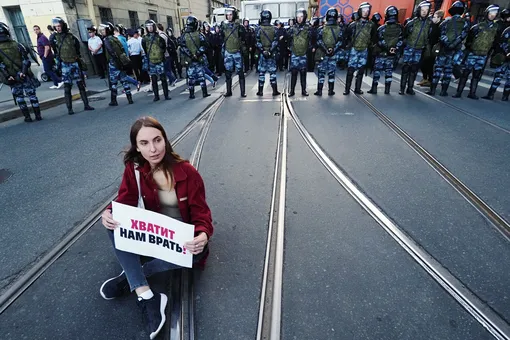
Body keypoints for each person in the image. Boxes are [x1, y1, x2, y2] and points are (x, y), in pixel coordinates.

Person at [100, 116, 213, 339]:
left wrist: (202, 235)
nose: (153, 149)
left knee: (197, 256)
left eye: (157, 140)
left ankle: (132, 278)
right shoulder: (134, 170)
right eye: (144, 143)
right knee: (112, 224)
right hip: (150, 239)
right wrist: (108, 213)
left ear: (165, 140)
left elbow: (202, 214)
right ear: (137, 147)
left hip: (179, 242)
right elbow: (125, 200)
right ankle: (146, 295)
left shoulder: (187, 173)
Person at [453, 5, 500, 99]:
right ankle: (459, 92)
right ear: (487, 13)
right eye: (491, 13)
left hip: (483, 55)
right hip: (472, 54)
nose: (492, 15)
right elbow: (468, 41)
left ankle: (472, 93)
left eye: (494, 13)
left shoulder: (496, 28)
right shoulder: (477, 27)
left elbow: (496, 41)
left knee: (476, 75)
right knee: (465, 73)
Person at [50, 17, 94, 114]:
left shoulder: (71, 37)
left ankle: (86, 105)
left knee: (80, 85)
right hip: (64, 64)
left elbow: (77, 49)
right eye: (56, 26)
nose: (58, 28)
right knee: (67, 87)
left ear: (63, 26)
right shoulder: (53, 38)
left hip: (74, 63)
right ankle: (69, 109)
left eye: (59, 26)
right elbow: (55, 51)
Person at [0, 22, 42, 122]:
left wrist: (7, 76)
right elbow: (26, 60)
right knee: (32, 95)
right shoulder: (18, 45)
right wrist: (23, 72)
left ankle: (27, 117)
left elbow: (0, 65)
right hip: (24, 74)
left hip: (12, 77)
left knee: (19, 97)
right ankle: (38, 116)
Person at [427, 1, 468, 96]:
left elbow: (441, 35)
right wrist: (453, 44)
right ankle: (443, 91)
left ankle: (432, 90)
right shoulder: (465, 23)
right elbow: (462, 36)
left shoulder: (446, 22)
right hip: (453, 51)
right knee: (448, 71)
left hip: (443, 49)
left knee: (437, 70)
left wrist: (447, 44)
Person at [367, 5, 403, 95]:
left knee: (377, 71)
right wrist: (394, 49)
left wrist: (387, 48)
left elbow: (379, 41)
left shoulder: (382, 28)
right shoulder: (400, 28)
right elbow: (401, 41)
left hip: (381, 53)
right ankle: (387, 90)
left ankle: (374, 88)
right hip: (392, 54)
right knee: (389, 72)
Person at [400, 1, 432, 95]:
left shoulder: (429, 24)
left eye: (426, 10)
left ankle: (410, 88)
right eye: (422, 10)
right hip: (409, 48)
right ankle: (402, 89)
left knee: (414, 69)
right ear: (419, 10)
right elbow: (404, 35)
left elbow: (429, 36)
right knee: (405, 68)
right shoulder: (411, 23)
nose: (424, 12)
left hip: (419, 49)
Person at [343, 2, 375, 95]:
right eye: (364, 10)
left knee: (361, 71)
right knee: (350, 70)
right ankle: (347, 89)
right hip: (354, 50)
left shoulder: (371, 25)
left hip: (364, 50)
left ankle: (358, 89)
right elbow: (347, 37)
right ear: (360, 11)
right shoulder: (353, 25)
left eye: (367, 10)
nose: (365, 12)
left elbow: (373, 37)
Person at [101, 22, 134, 106]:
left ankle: (113, 100)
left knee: (113, 83)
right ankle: (129, 98)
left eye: (104, 30)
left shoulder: (107, 40)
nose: (102, 31)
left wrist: (116, 62)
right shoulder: (115, 38)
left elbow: (111, 52)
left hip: (113, 63)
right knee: (124, 81)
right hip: (120, 62)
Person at [180, 16, 210, 99]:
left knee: (191, 77)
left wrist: (190, 55)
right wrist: (197, 54)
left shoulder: (184, 36)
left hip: (190, 60)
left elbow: (182, 47)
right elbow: (205, 45)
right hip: (198, 59)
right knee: (201, 76)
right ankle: (204, 93)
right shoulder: (199, 34)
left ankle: (191, 94)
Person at [483, 9, 510, 100]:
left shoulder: (507, 29)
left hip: (504, 55)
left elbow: (503, 42)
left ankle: (491, 94)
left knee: (499, 76)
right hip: (504, 54)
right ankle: (505, 96)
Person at [221, 6, 247, 97]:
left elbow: (244, 38)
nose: (229, 16)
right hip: (228, 52)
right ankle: (228, 91)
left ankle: (242, 92)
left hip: (237, 52)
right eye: (227, 15)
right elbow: (221, 37)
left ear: (234, 15)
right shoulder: (223, 26)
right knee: (228, 73)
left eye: (231, 15)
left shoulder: (240, 26)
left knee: (240, 72)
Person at [142, 20, 170, 101]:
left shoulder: (159, 37)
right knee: (154, 80)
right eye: (148, 26)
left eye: (151, 26)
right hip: (151, 62)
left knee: (163, 79)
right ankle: (156, 96)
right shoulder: (145, 39)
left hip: (160, 61)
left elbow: (164, 48)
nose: (150, 28)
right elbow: (145, 48)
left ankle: (166, 95)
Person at [256, 9, 280, 96]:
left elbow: (257, 42)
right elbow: (275, 42)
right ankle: (274, 91)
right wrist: (270, 51)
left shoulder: (258, 29)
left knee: (261, 73)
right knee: (272, 73)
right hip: (271, 53)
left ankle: (260, 91)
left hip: (263, 54)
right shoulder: (274, 29)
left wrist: (263, 51)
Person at [288, 8, 311, 97]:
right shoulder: (292, 28)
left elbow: (312, 40)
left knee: (303, 73)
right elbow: (288, 38)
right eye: (298, 17)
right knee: (293, 73)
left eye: (301, 17)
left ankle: (303, 90)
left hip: (304, 54)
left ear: (304, 17)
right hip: (294, 54)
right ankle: (292, 91)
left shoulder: (308, 28)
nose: (299, 19)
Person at [418, 10, 444, 88]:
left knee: (430, 65)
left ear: (439, 17)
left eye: (435, 17)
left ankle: (429, 80)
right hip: (428, 47)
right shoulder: (432, 24)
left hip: (435, 48)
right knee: (424, 64)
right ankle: (426, 79)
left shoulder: (441, 26)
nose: (433, 18)